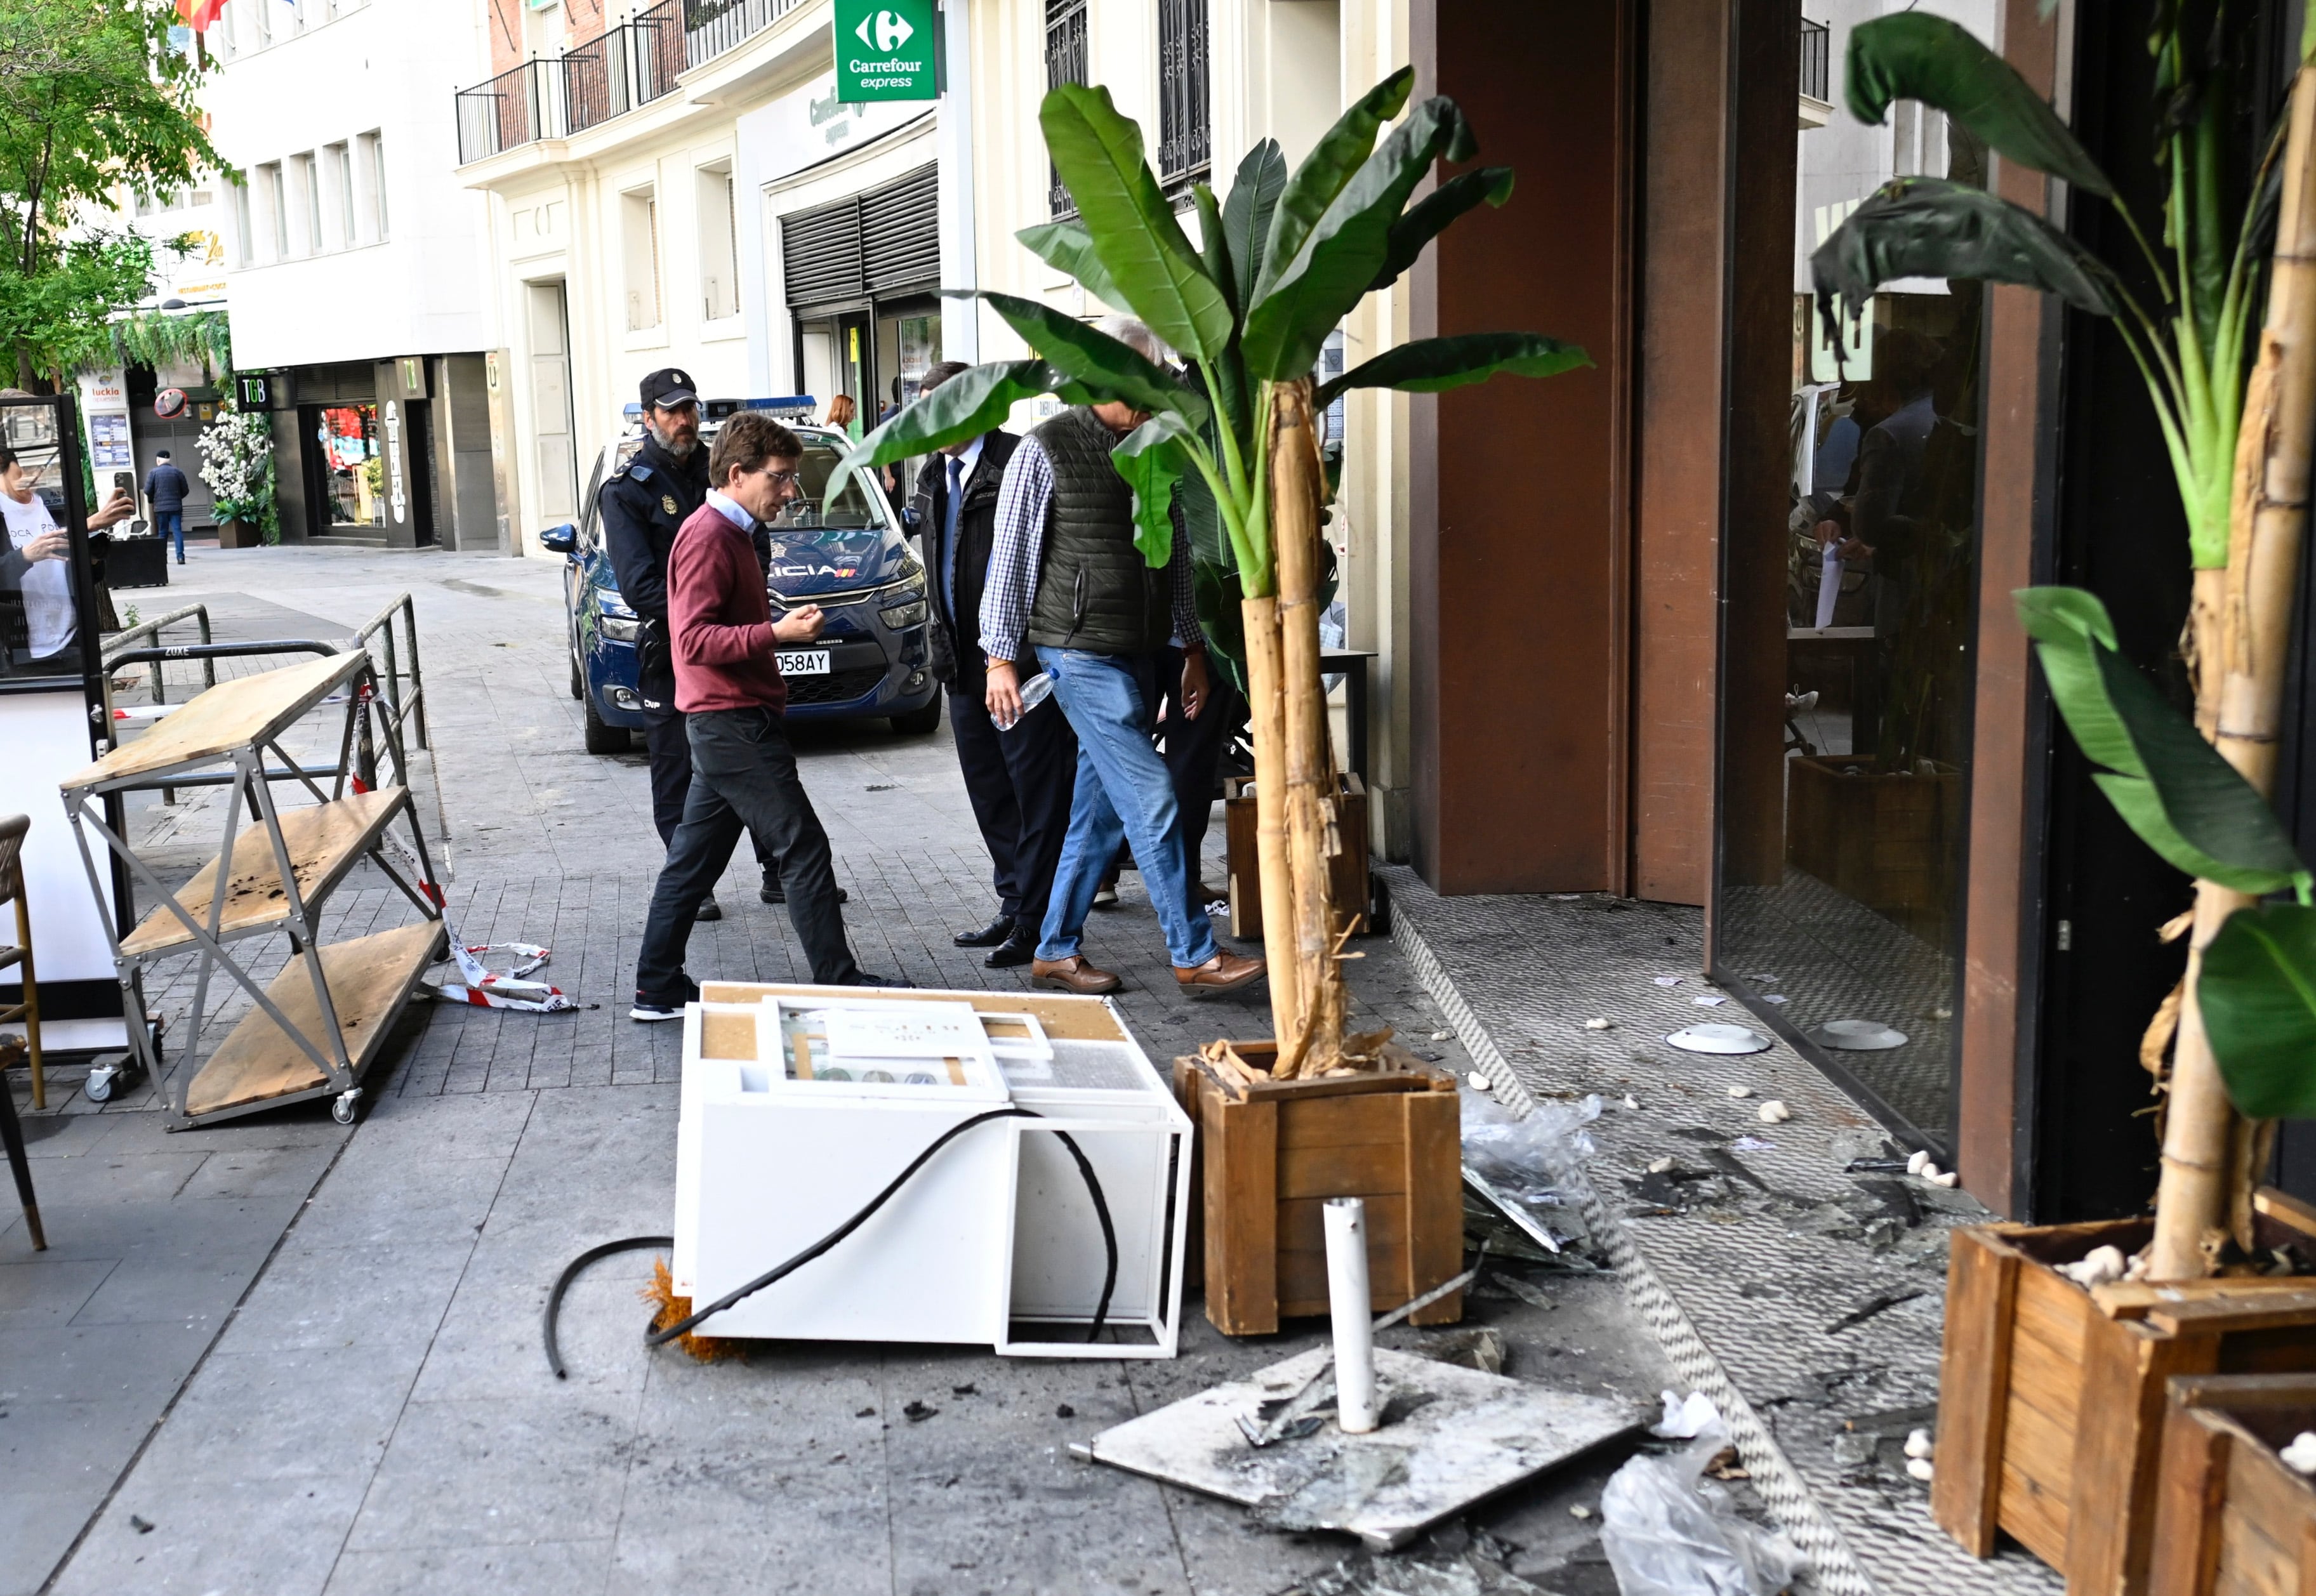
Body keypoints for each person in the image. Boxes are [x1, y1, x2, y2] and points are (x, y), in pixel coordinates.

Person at [979, 315, 1266, 999]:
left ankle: (1054, 949)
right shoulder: (1044, 448)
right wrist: (998, 658)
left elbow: (1173, 566)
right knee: (1154, 796)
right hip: (1076, 654)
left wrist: (1192, 648)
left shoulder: (1156, 449)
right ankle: (1194, 953)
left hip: (1136, 652)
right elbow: (1011, 557)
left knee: (1099, 812)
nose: (1147, 398)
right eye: (1136, 384)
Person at [631, 411, 890, 1019]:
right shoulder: (708, 536)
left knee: (690, 866)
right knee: (803, 848)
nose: (790, 492)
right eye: (780, 478)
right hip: (731, 723)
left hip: (730, 721)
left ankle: (656, 986)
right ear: (738, 474)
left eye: (792, 478)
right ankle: (839, 979)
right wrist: (774, 633)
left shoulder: (731, 532)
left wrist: (768, 626)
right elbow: (690, 641)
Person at [908, 360, 1075, 970]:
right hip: (961, 665)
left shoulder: (1017, 463)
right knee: (990, 793)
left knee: (1036, 792)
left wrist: (1021, 655)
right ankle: (1013, 901)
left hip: (1019, 664)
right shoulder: (931, 474)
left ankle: (1038, 920)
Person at [601, 368, 775, 923]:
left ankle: (780, 868)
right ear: (647, 416)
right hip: (674, 649)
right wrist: (706, 615)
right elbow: (640, 586)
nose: (684, 420)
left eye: (690, 409)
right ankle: (694, 883)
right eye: (672, 411)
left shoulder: (722, 471)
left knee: (763, 753)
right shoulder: (629, 491)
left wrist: (736, 612)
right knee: (678, 769)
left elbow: (758, 546)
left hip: (737, 646)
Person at [1, 445, 131, 672]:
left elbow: (86, 576)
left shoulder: (55, 503)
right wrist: (24, 557)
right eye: (27, 468)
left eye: (41, 468)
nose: (35, 476)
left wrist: (91, 551)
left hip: (72, 640)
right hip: (19, 650)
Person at [145, 449, 190, 565]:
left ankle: (162, 558)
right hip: (176, 507)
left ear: (158, 460)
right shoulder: (177, 472)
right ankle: (180, 557)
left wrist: (153, 499)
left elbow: (147, 490)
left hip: (160, 508)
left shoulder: (153, 473)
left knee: (162, 532)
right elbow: (186, 490)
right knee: (177, 531)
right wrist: (177, 497)